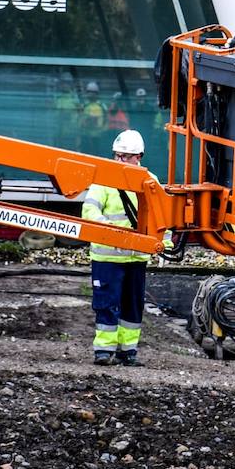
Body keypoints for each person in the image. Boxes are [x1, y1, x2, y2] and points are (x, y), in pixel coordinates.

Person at [82, 129, 155, 367]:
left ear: (138, 157)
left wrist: (163, 240)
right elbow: (90, 212)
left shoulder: (149, 182)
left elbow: (161, 218)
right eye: (117, 155)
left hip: (136, 259)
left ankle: (128, 352)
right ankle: (103, 351)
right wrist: (111, 229)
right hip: (108, 258)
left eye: (125, 156)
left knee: (133, 307)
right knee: (106, 304)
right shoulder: (104, 181)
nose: (119, 161)